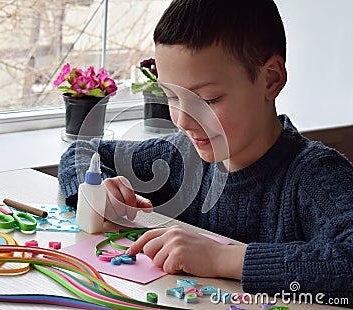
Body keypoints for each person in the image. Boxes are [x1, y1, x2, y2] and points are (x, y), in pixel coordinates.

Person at [58, 0, 353, 304]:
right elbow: (83, 151)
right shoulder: (179, 156)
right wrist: (97, 190)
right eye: (171, 96)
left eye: (208, 100)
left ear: (271, 80)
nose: (184, 121)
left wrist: (222, 258)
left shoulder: (316, 175)